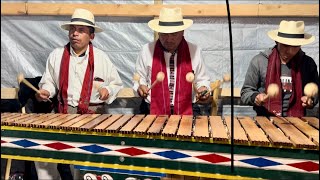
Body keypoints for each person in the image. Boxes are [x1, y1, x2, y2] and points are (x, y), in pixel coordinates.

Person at [35, 8, 123, 179]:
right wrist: (46, 91)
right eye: (72, 29)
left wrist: (108, 90)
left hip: (93, 116)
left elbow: (116, 83)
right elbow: (50, 82)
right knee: (45, 154)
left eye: (81, 30)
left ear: (92, 36)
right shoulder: (56, 55)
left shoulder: (101, 58)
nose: (75, 33)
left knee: (86, 163)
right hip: (62, 113)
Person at [133, 7, 211, 116]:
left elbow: (202, 80)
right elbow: (139, 79)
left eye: (174, 34)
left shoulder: (195, 51)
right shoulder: (146, 50)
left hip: (188, 107)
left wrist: (203, 88)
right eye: (164, 34)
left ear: (182, 32)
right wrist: (140, 87)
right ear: (158, 32)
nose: (169, 39)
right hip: (151, 107)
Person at [241, 20, 319, 117]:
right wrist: (255, 97)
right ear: (276, 41)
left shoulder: (308, 64)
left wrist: (310, 100)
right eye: (285, 45)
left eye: (295, 47)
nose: (290, 51)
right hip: (266, 120)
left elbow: (316, 93)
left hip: (298, 122)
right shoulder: (259, 61)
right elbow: (246, 92)